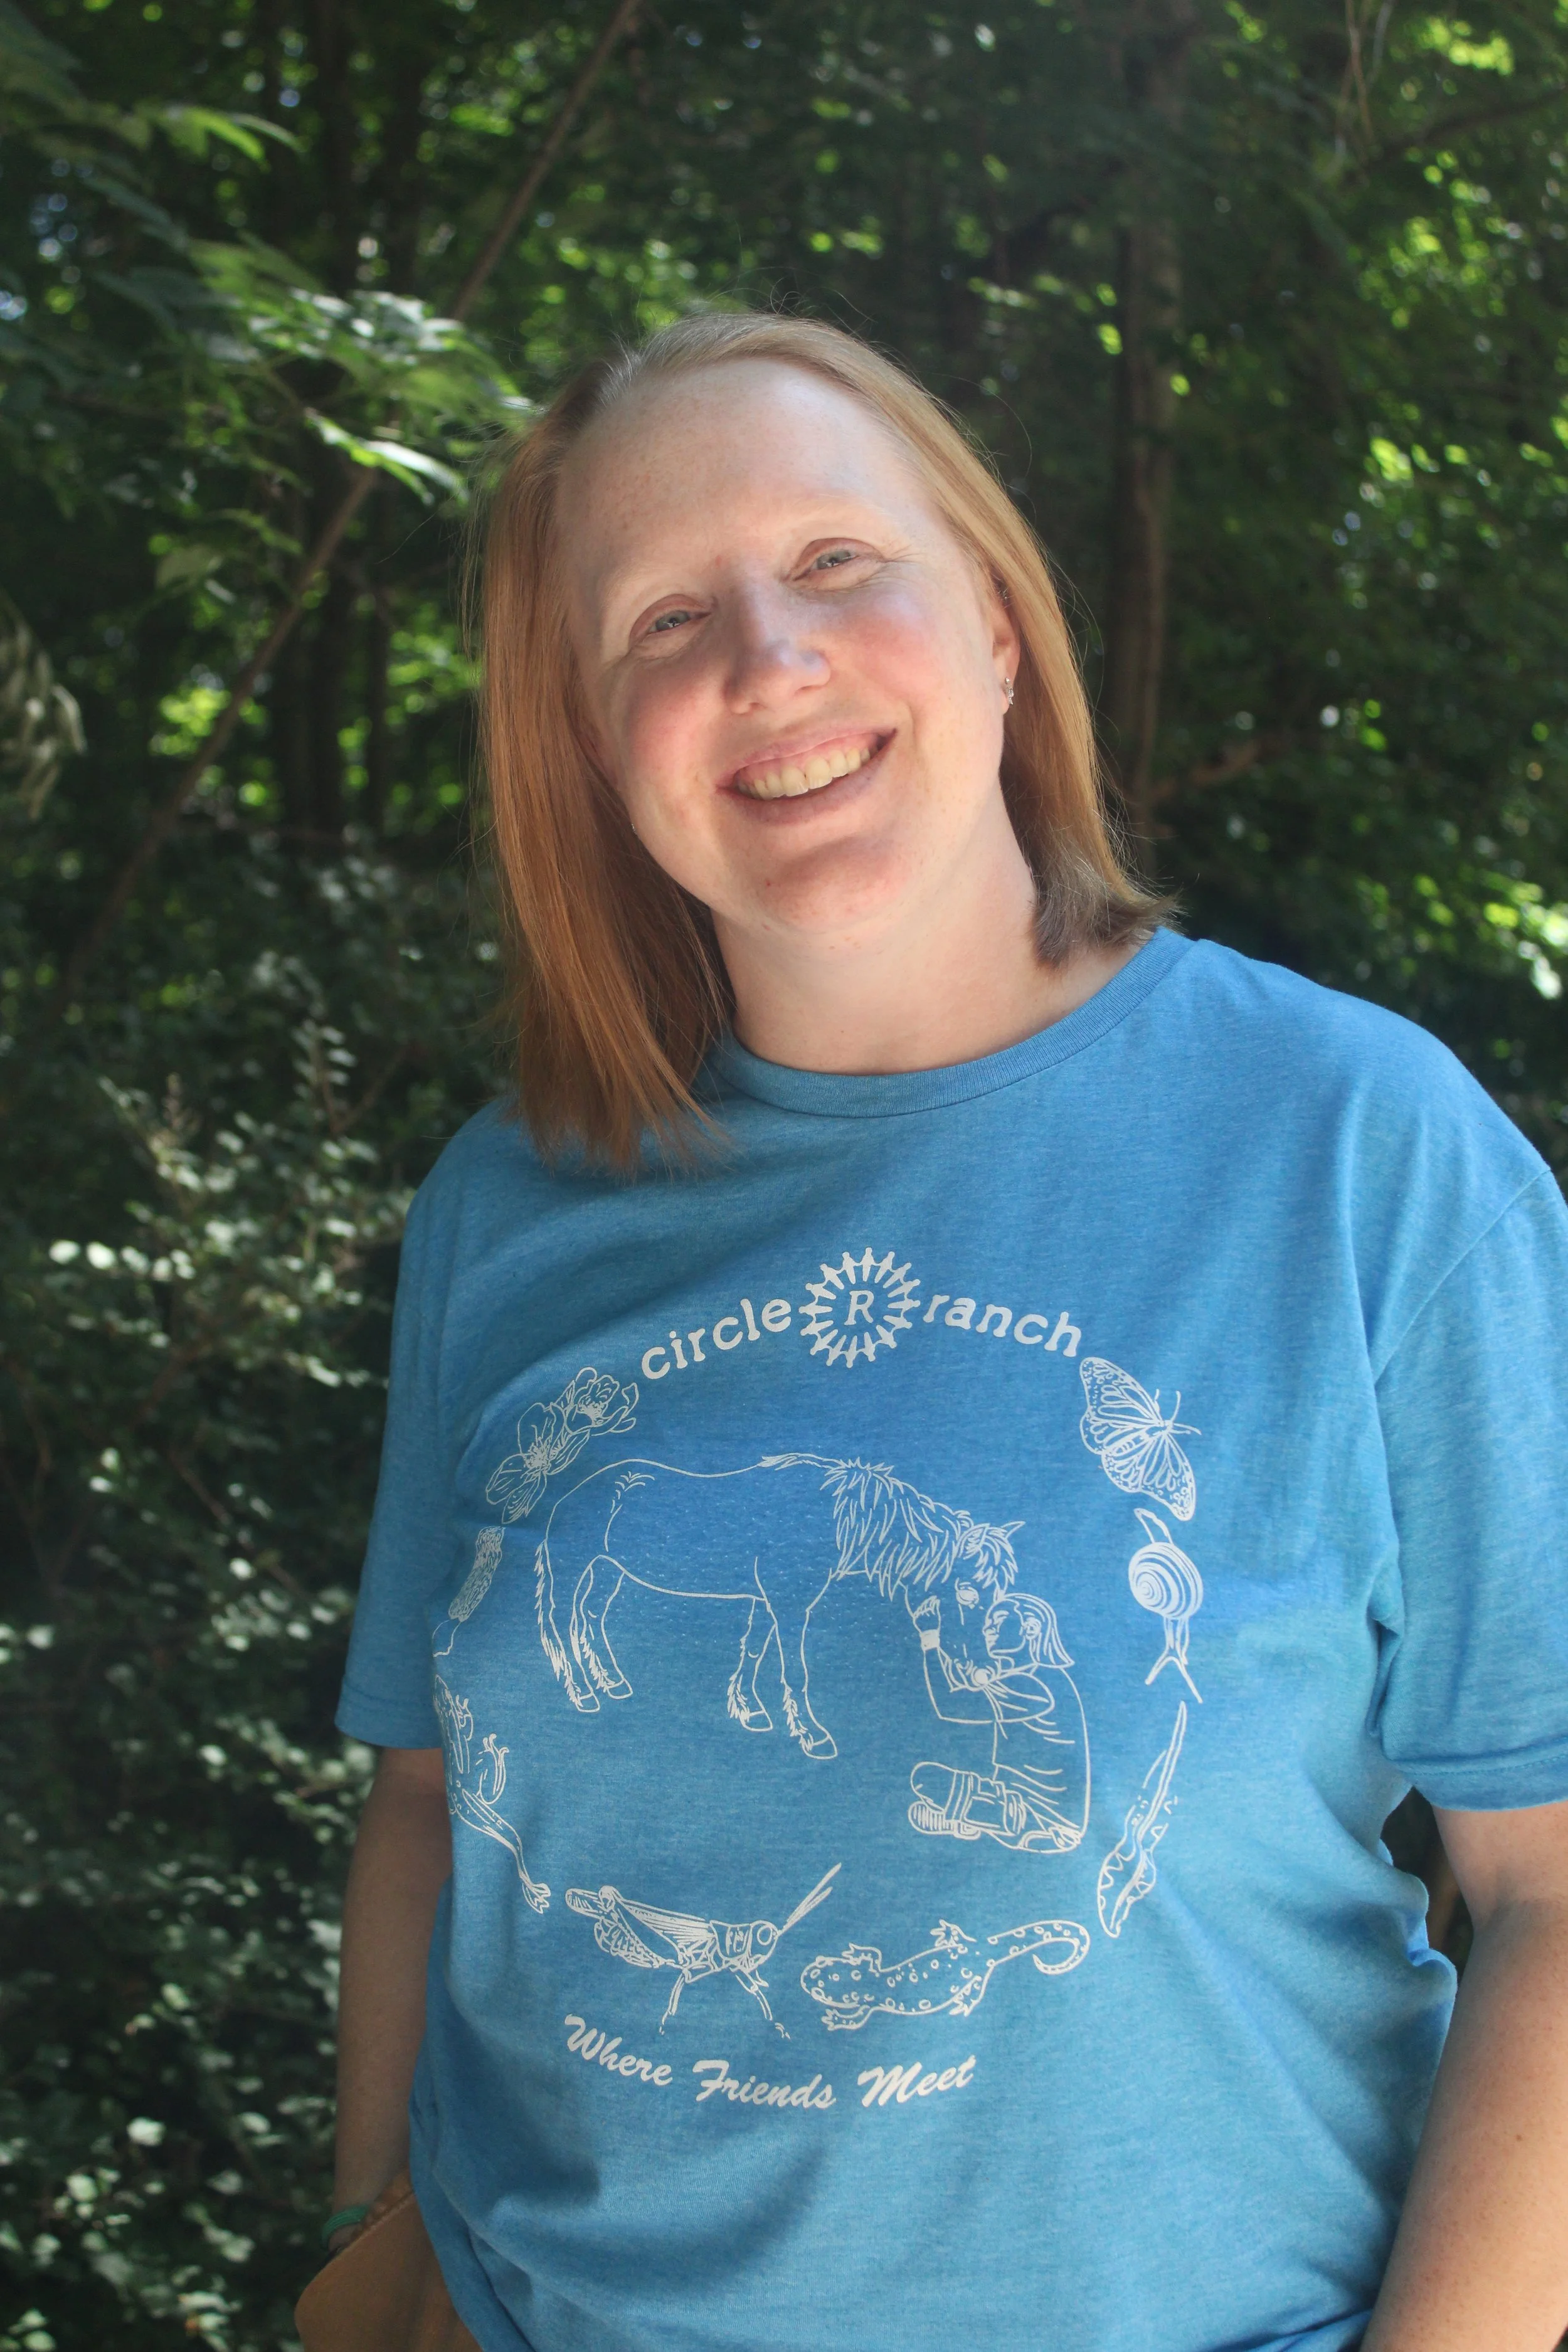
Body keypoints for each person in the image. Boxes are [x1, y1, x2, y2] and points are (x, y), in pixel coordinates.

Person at [300, 311, 1568, 2352]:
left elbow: (1555, 1901)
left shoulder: (1361, 1152)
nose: (766, 667)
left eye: (832, 565)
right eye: (659, 623)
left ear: (990, 624)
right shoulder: (512, 1207)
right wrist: (366, 2277)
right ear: (595, 750)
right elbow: (435, 1809)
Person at [906, 1588, 1090, 1851]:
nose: (987, 1630)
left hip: (1043, 1816)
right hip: (1009, 1794)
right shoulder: (1026, 1676)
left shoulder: (1036, 1684)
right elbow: (959, 1681)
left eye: (998, 1621)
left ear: (1031, 1628)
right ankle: (975, 1818)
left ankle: (977, 1821)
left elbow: (949, 1704)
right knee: (931, 1787)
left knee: (926, 1779)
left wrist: (930, 1639)